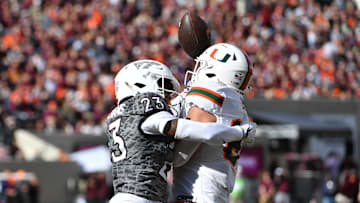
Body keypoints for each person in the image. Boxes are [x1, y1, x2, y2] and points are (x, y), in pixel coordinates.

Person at [105, 59, 256, 203]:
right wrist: (240, 132)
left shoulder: (117, 114)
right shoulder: (144, 106)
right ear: (140, 83)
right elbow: (199, 131)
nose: (168, 95)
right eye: (162, 85)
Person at [169, 43, 255, 203]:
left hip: (196, 195)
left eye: (204, 65)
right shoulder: (236, 104)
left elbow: (179, 156)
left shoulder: (209, 95)